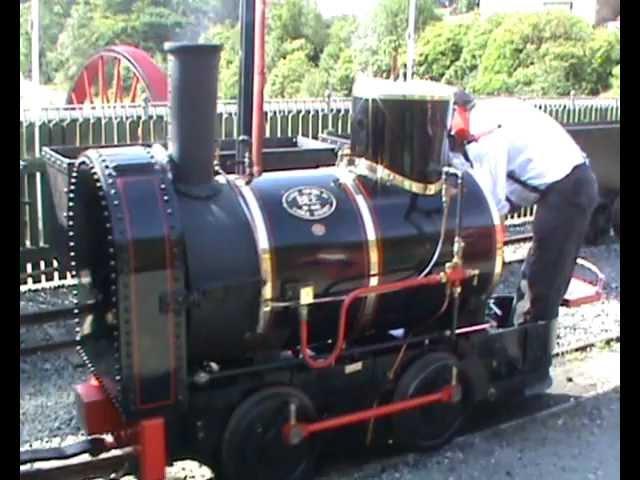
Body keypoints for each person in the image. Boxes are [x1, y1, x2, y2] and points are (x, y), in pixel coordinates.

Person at [449, 91, 600, 327]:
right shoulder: (476, 124)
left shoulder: (483, 131)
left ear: (459, 111)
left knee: (543, 278)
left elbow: (491, 209)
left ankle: (530, 353)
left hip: (570, 186)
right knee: (538, 272)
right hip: (554, 183)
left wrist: (483, 271)